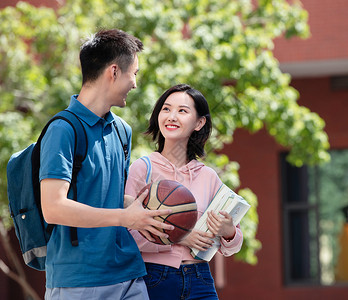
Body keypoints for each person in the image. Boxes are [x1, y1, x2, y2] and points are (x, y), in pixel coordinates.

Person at [39, 29, 174, 300]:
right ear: (113, 71)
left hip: (128, 273)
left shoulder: (122, 131)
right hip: (78, 279)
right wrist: (125, 217)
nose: (135, 83)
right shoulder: (63, 130)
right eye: (133, 73)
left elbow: (106, 197)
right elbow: (53, 208)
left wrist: (141, 208)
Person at [125, 84, 244, 299]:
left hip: (201, 279)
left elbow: (233, 246)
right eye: (166, 109)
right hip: (155, 278)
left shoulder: (208, 176)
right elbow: (126, 233)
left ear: (199, 123)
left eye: (182, 111)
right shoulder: (142, 169)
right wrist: (180, 237)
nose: (171, 116)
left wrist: (229, 231)